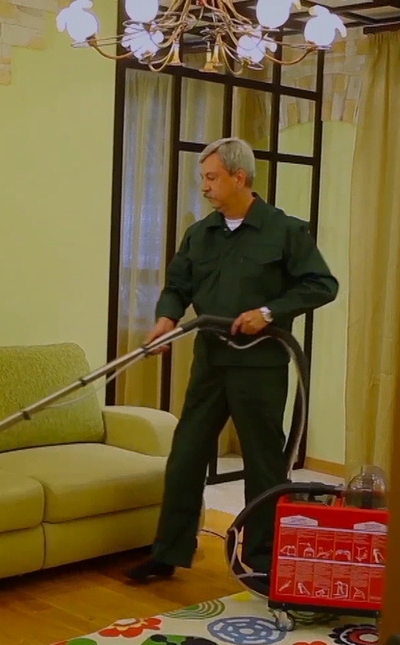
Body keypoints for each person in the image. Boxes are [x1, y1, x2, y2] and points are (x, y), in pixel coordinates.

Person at [125, 137, 340, 583]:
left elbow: (322, 285)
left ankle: (260, 559)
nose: (204, 186)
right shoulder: (200, 234)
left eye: (211, 177)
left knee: (264, 464)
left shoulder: (285, 231)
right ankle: (168, 552)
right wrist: (166, 318)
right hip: (211, 360)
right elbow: (178, 285)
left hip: (260, 367)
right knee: (186, 455)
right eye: (204, 178)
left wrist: (269, 312)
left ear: (239, 177)